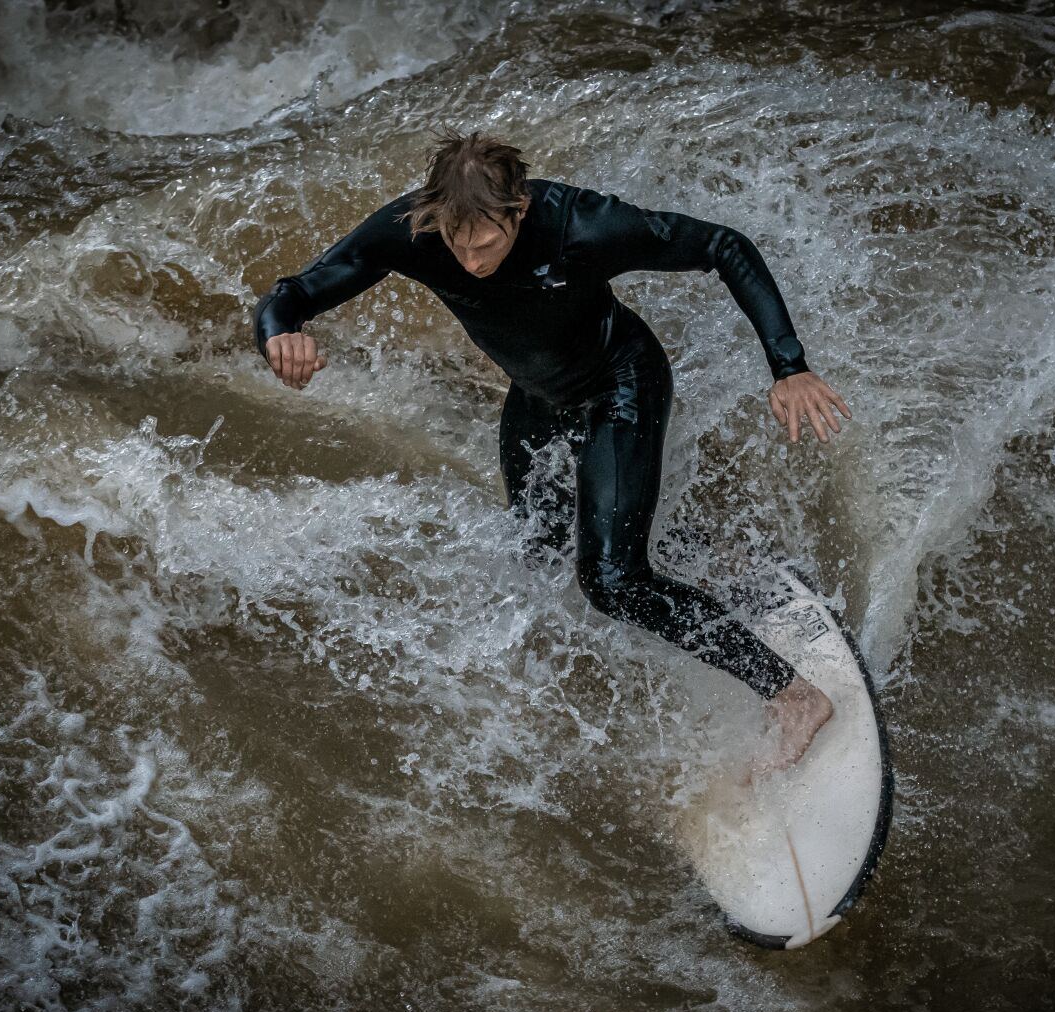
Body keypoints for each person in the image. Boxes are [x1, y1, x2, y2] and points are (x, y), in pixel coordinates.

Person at [253, 132, 852, 770]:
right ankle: (690, 556)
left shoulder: (583, 227)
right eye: (456, 244)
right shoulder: (413, 232)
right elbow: (294, 293)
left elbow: (722, 246)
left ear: (518, 210)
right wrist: (280, 334)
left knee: (612, 582)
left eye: (485, 243)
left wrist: (788, 365)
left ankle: (792, 695)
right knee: (537, 547)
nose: (470, 261)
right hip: (537, 398)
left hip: (619, 387)